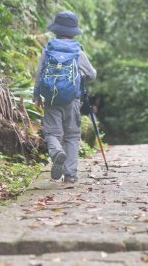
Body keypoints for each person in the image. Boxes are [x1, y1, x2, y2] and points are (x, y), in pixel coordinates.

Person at [33, 11, 97, 183]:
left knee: (51, 133)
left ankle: (56, 152)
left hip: (51, 98)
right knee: (72, 136)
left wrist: (36, 95)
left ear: (56, 30)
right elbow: (91, 74)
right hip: (73, 99)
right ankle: (70, 175)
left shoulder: (48, 49)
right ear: (74, 31)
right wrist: (82, 77)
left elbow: (39, 74)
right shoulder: (78, 51)